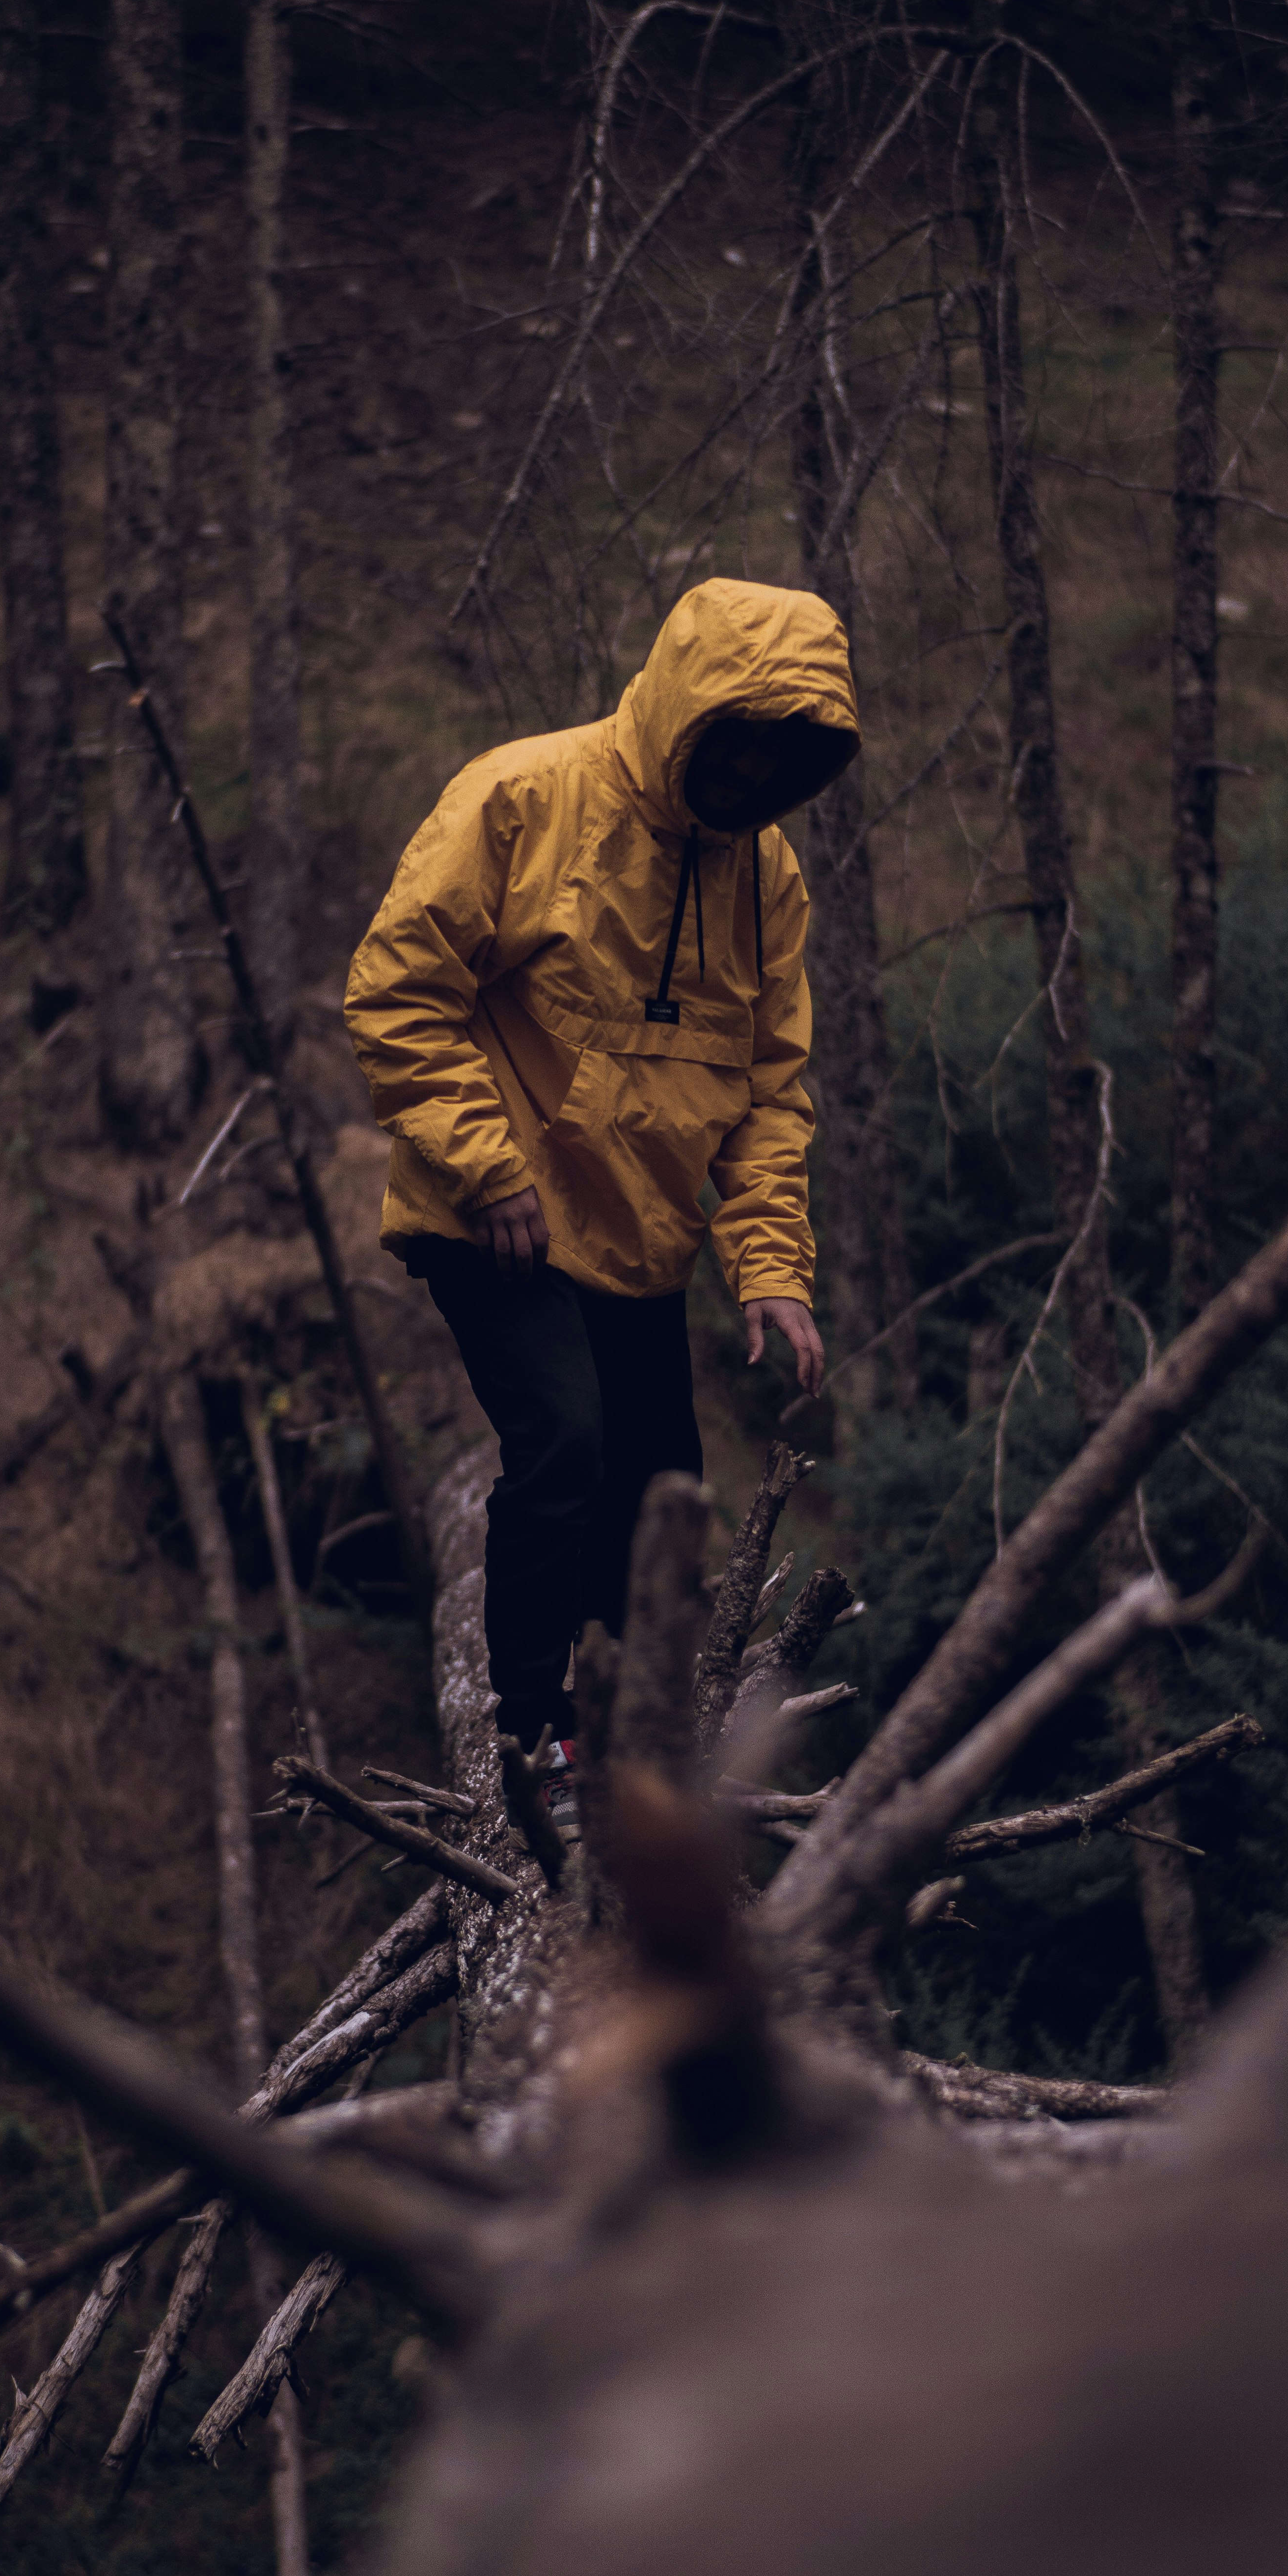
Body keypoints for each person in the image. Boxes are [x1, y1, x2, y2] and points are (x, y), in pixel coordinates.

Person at [344, 576, 858, 1808]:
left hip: (635, 1237)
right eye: (729, 753)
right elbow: (393, 991)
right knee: (563, 1441)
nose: (741, 786)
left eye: (773, 766)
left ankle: (633, 1733)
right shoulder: (525, 798)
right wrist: (484, 1167)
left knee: (659, 1491)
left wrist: (772, 1272)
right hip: (495, 1217)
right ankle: (527, 1741)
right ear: (688, 721)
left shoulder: (767, 881)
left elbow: (768, 1097)